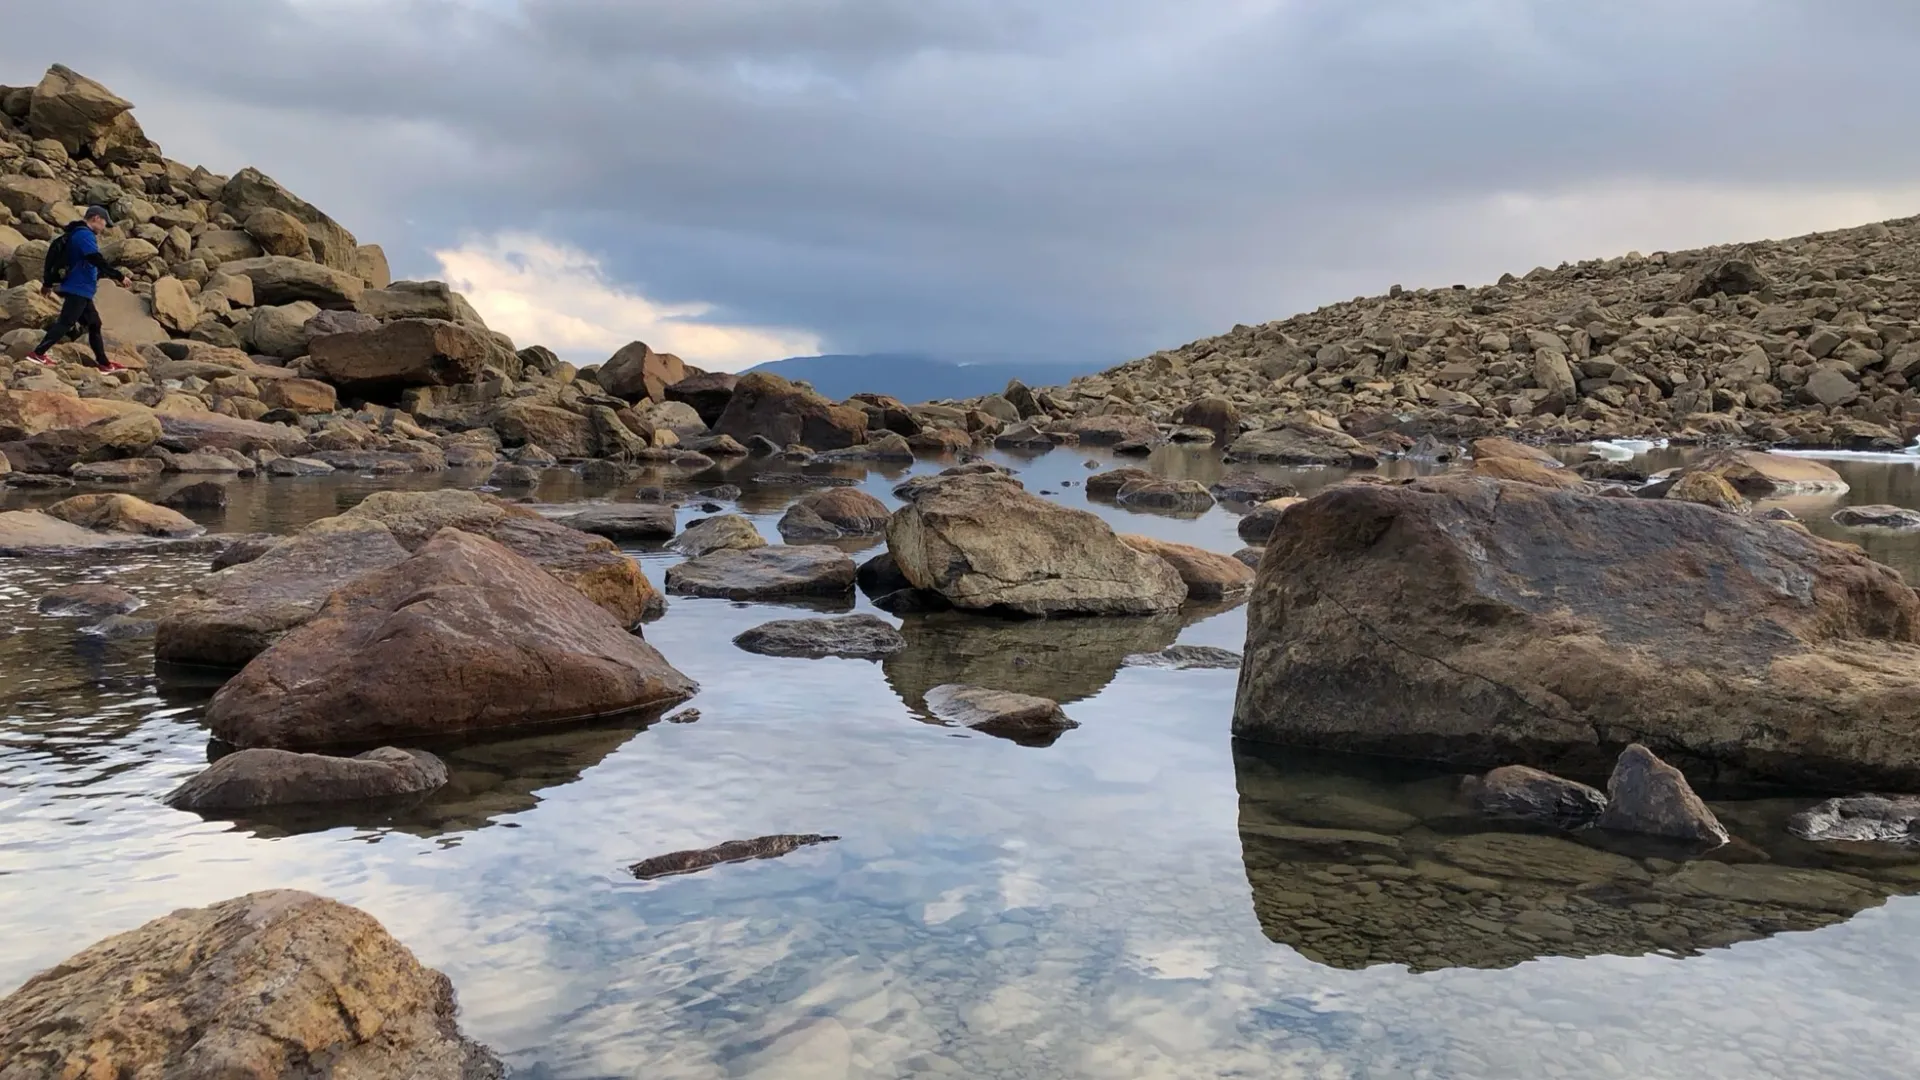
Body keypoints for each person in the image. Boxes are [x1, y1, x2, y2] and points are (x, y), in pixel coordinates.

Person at [27, 205, 128, 371]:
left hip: (83, 290)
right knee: (66, 322)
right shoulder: (84, 235)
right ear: (96, 218)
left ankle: (104, 364)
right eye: (104, 223)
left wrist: (48, 283)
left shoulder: (77, 233)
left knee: (94, 324)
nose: (104, 228)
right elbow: (95, 258)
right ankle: (38, 354)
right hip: (78, 288)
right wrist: (119, 276)